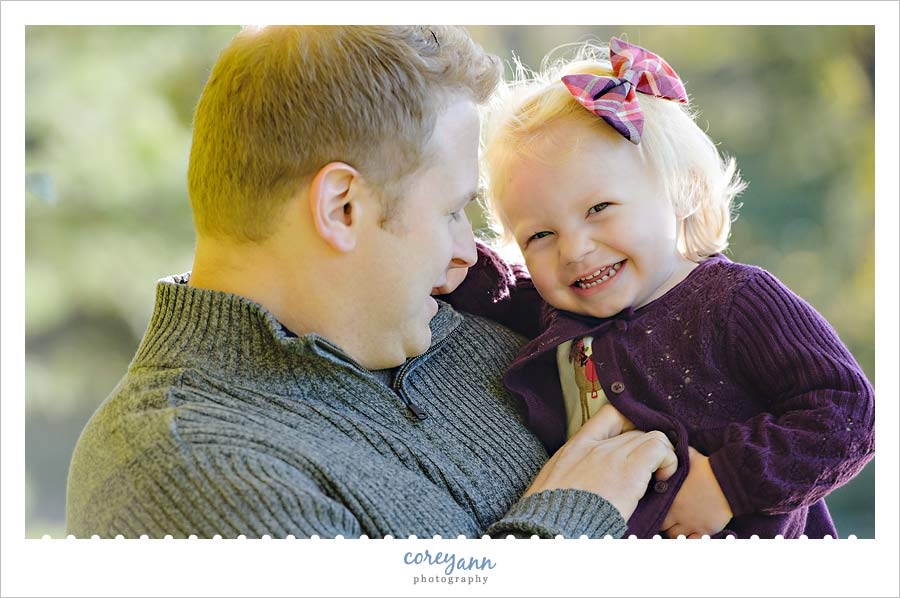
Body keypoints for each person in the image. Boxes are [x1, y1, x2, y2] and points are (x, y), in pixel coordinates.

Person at [65, 26, 677, 539]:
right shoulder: (188, 472)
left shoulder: (482, 331)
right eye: (451, 213)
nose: (473, 252)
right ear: (342, 207)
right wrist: (570, 522)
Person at [444, 37, 875, 538]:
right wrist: (440, 252)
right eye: (540, 234)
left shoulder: (734, 301)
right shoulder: (556, 312)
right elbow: (491, 284)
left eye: (598, 209)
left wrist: (726, 483)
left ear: (681, 190)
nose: (574, 250)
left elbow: (846, 409)